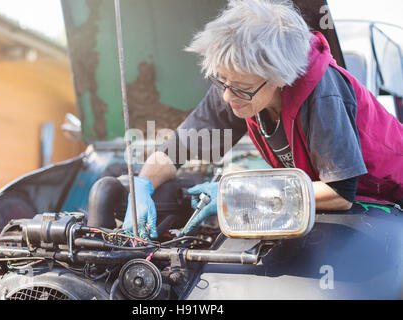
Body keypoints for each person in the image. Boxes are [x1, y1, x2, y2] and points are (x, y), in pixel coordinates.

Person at [122, 0, 403, 239]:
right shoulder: (236, 79)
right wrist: (142, 185)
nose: (226, 97)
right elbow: (176, 150)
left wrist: (240, 193)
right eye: (220, 81)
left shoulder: (321, 94)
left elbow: (340, 192)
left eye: (241, 88)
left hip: (388, 194)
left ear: (279, 78)